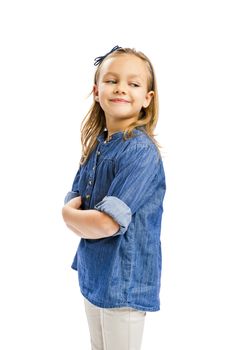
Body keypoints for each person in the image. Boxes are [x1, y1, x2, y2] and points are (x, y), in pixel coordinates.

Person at [62, 46, 166, 350]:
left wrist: (68, 216)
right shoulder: (99, 145)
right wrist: (78, 215)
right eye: (112, 80)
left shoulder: (140, 152)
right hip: (96, 273)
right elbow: (77, 196)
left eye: (133, 84)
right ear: (97, 91)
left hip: (125, 282)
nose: (121, 88)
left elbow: (106, 223)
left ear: (147, 98)